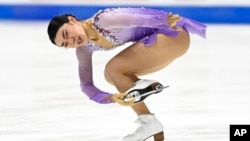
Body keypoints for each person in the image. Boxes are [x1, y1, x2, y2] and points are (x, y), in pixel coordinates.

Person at [47, 7, 206, 141]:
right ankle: (148, 122)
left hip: (171, 33)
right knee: (112, 77)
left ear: (72, 20)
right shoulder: (83, 49)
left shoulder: (103, 20)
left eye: (67, 34)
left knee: (113, 69)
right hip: (162, 44)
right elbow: (86, 85)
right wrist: (112, 98)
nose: (72, 41)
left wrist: (164, 19)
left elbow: (137, 17)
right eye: (66, 44)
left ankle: (142, 87)